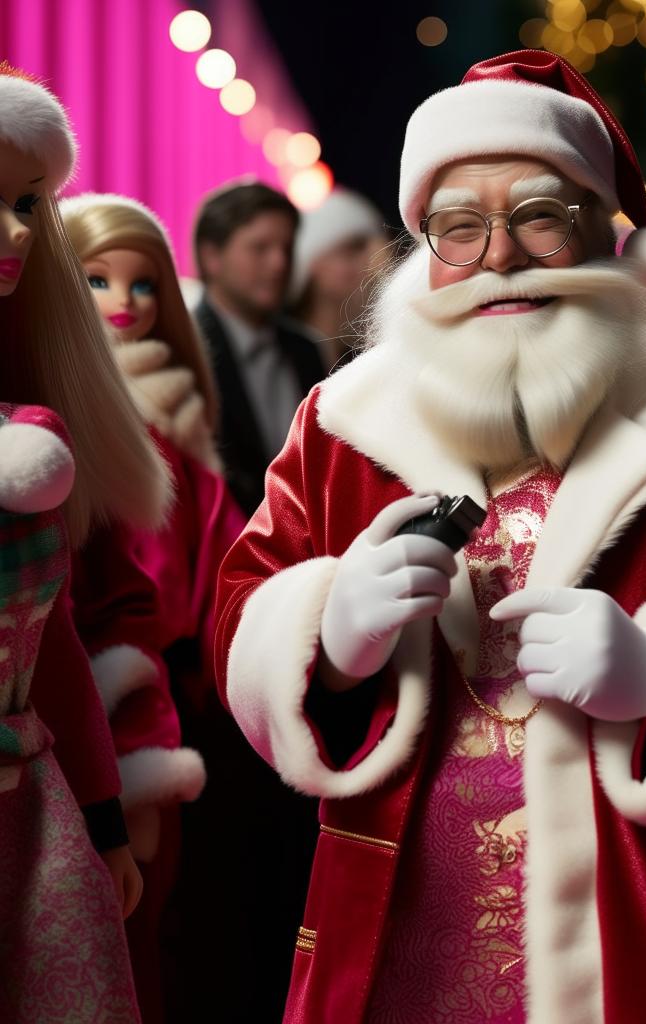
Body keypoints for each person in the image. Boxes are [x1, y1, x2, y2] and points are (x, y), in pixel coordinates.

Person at [214, 51, 646, 1023]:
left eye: (539, 215)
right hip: (398, 946)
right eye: (459, 226)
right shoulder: (341, 423)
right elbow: (238, 606)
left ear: (607, 233)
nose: (498, 255)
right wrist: (324, 638)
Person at [0, 63, 168, 1023]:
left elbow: (53, 643)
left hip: (31, 811)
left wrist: (103, 819)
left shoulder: (43, 427)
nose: (19, 231)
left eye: (30, 203)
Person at [62, 191, 246, 1022]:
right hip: (76, 698)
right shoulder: (65, 422)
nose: (124, 304)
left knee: (146, 932)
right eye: (97, 281)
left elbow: (226, 554)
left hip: (157, 692)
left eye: (141, 285)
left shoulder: (176, 423)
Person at [192, 181, 324, 514]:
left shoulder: (305, 349)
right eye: (260, 248)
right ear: (211, 257)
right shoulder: (186, 349)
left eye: (287, 248)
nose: (280, 263)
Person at [288, 187, 388, 371]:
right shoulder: (283, 361)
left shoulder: (369, 361)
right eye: (353, 249)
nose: (378, 265)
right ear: (311, 265)